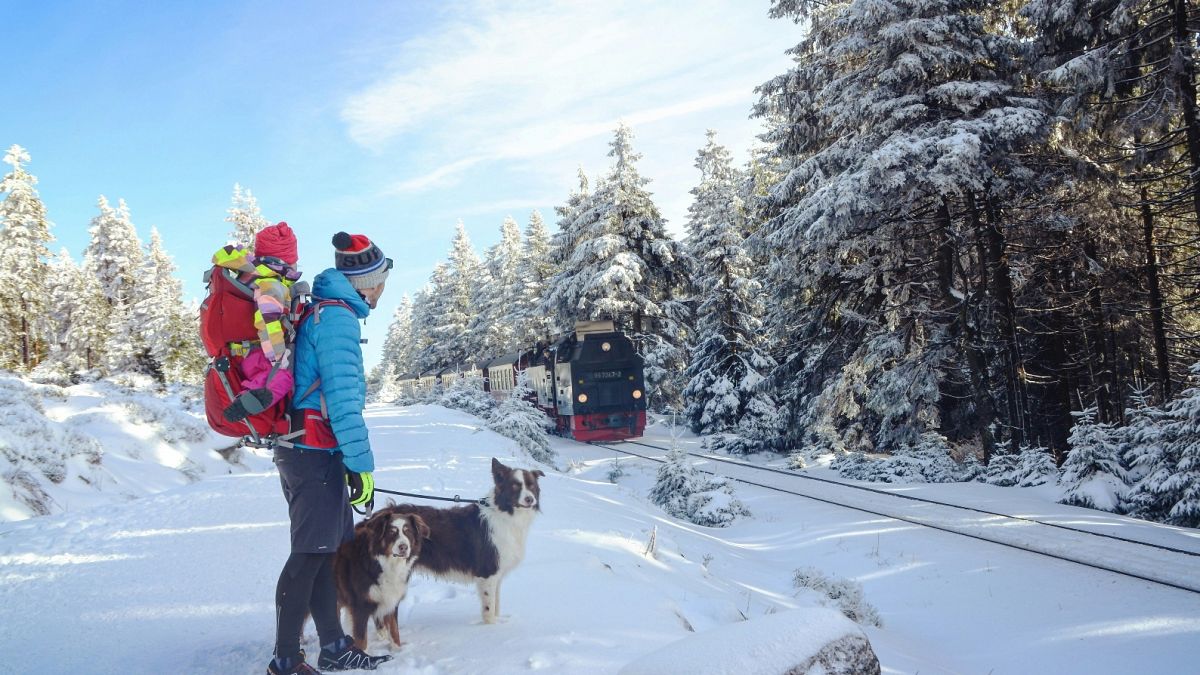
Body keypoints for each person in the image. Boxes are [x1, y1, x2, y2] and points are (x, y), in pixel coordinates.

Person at [267, 232, 394, 674]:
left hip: (310, 449)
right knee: (307, 556)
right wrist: (363, 467)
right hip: (313, 452)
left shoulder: (324, 311)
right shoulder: (338, 319)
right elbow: (343, 402)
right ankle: (285, 659)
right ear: (366, 283)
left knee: (323, 553)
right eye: (380, 281)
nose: (382, 290)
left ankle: (334, 645)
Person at [216, 221, 303, 423]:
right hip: (258, 352)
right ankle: (247, 403)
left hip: (247, 351)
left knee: (275, 378)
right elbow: (267, 320)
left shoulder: (254, 275)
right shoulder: (272, 283)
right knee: (282, 378)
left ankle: (251, 402)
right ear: (288, 260)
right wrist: (278, 359)